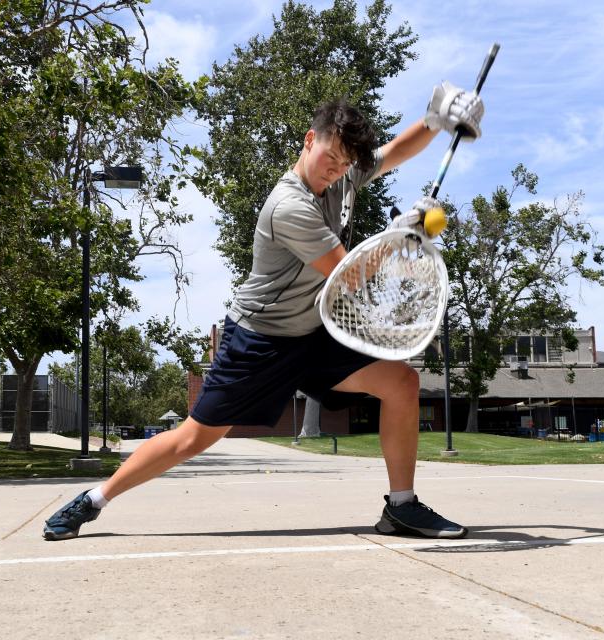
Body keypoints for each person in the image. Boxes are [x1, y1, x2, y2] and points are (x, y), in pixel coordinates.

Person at [43, 81, 484, 541]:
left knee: (401, 383)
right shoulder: (288, 206)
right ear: (309, 141)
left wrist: (435, 120)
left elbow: (390, 153)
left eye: (344, 165)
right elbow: (348, 277)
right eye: (329, 159)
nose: (334, 172)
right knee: (194, 437)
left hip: (314, 331)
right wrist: (401, 236)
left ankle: (401, 507)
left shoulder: (341, 173)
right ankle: (94, 499)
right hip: (260, 340)